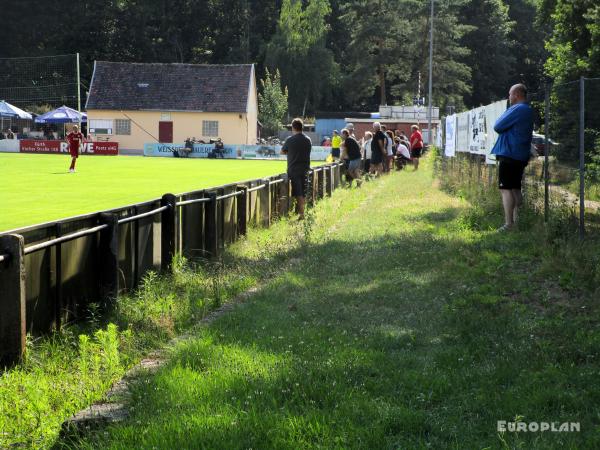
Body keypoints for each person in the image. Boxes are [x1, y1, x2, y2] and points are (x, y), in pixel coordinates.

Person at [491, 83, 534, 232]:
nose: (509, 97)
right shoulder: (527, 110)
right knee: (515, 188)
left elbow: (497, 126)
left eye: (510, 94)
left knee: (506, 189)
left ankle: (509, 224)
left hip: (509, 154)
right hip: (520, 155)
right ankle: (518, 220)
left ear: (516, 94)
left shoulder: (517, 109)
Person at [281, 118, 312, 220]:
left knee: (298, 193)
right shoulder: (308, 140)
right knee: (303, 191)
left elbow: (282, 151)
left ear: (293, 127)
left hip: (294, 170)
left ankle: (301, 215)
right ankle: (301, 212)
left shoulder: (290, 140)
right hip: (305, 168)